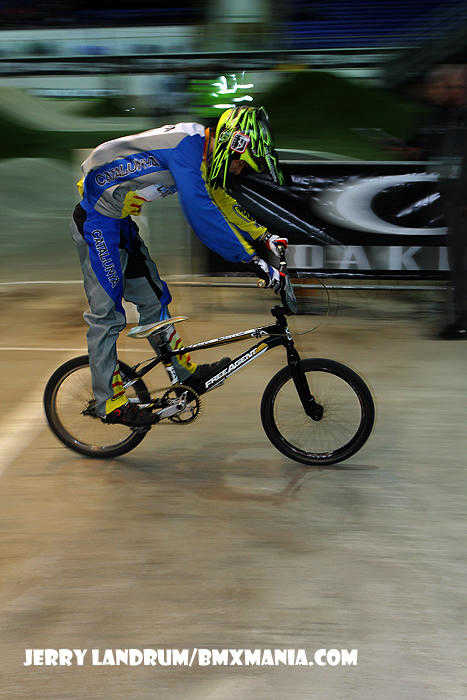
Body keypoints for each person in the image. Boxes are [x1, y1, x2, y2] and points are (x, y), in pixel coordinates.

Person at [71, 106, 288, 427]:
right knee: (107, 314)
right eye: (242, 162)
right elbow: (201, 214)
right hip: (97, 221)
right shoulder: (188, 149)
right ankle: (109, 402)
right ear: (232, 144)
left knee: (154, 299)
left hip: (118, 220)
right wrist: (252, 261)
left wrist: (264, 236)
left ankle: (182, 374)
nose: (240, 170)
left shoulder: (203, 153)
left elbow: (221, 200)